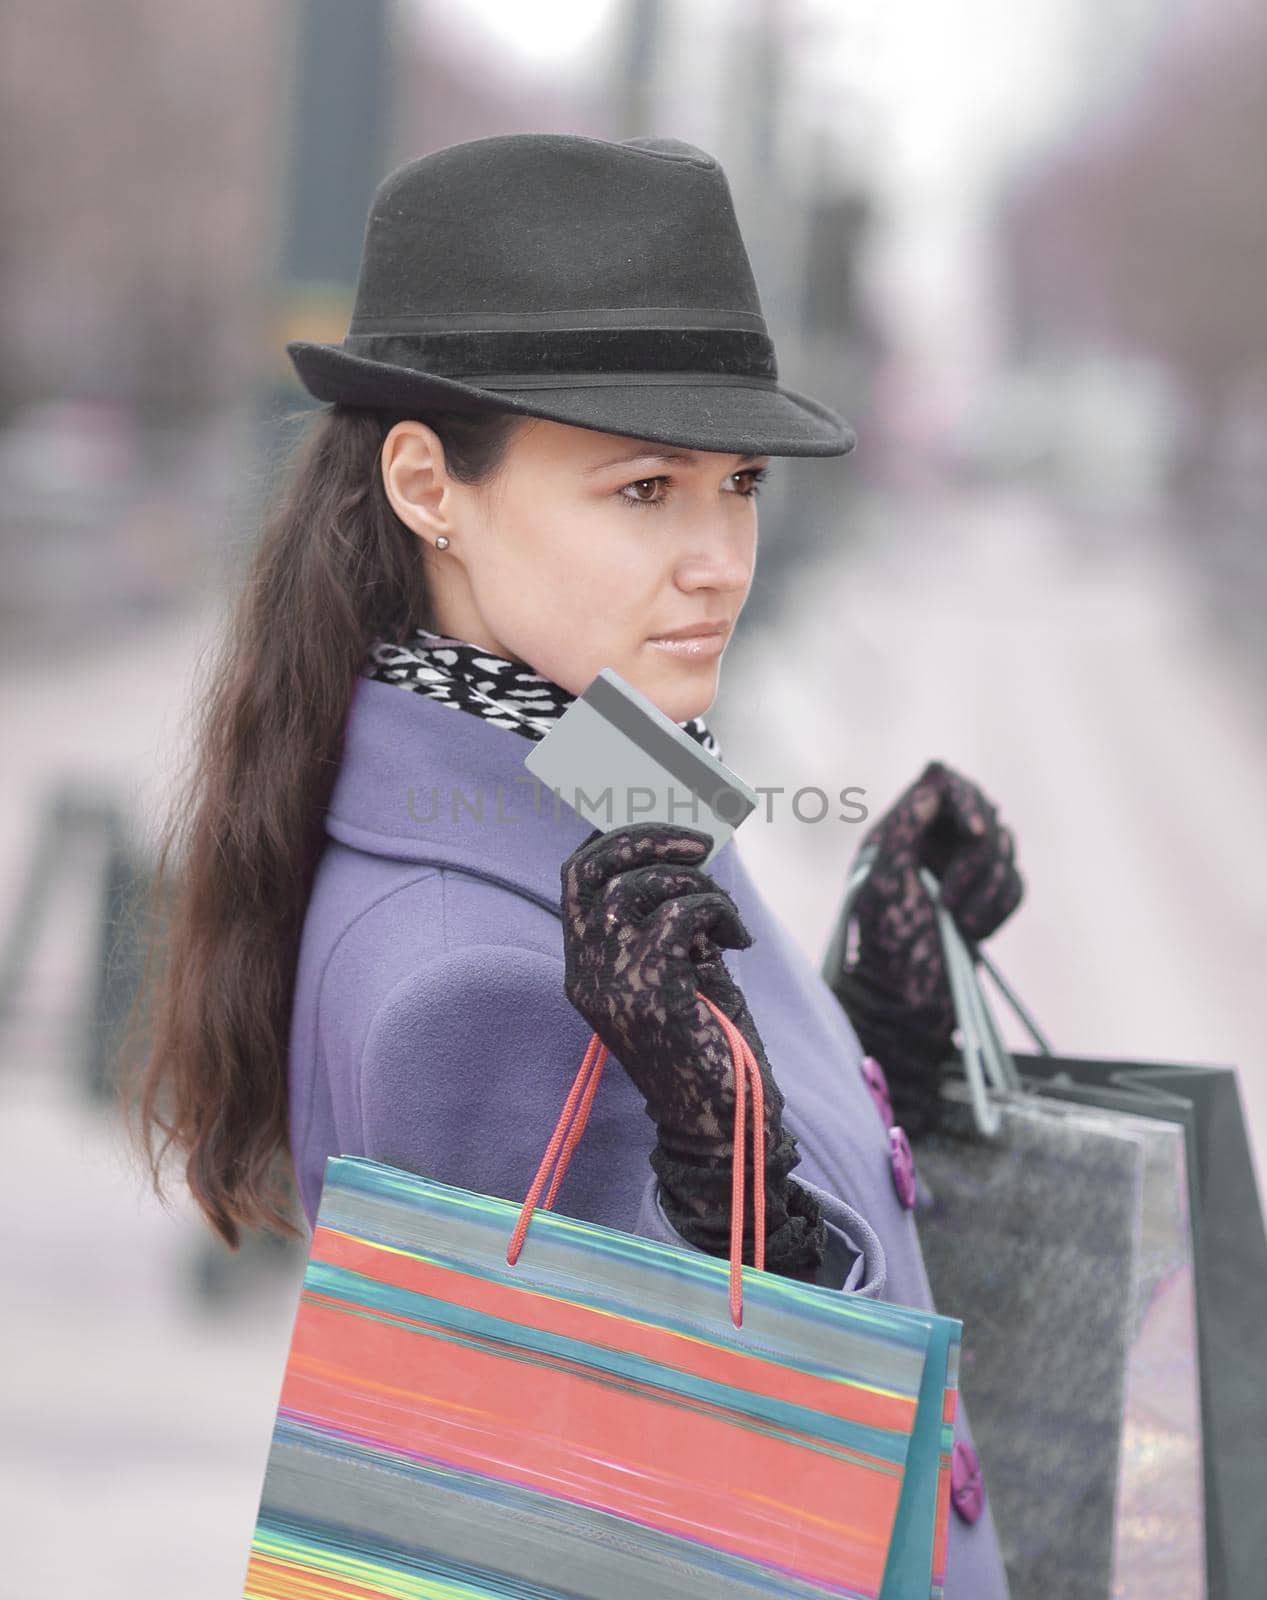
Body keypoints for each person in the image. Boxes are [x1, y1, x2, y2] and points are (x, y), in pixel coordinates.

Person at [123, 133, 1022, 1597]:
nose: (720, 557)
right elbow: (633, 1540)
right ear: (427, 483)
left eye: (736, 483)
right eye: (642, 491)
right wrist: (745, 1204)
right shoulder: (477, 980)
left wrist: (888, 1044)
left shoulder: (586, 768)